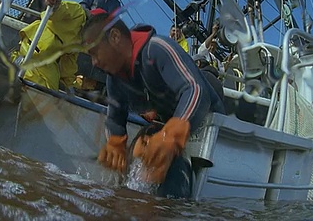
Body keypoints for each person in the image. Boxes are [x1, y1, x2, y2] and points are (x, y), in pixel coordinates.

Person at [82, 11, 224, 187]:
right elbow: (115, 118)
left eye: (95, 52)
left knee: (171, 164)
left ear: (115, 37)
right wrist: (116, 143)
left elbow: (196, 91)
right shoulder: (115, 78)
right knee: (140, 150)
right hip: (171, 123)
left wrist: (170, 136)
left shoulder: (157, 48)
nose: (94, 62)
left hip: (210, 128)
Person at [11, 0, 87, 91]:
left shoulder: (80, 41)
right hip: (36, 46)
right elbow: (61, 10)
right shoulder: (79, 12)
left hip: (48, 62)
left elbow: (68, 67)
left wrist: (77, 84)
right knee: (42, 86)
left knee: (51, 89)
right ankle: (17, 61)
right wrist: (54, 3)